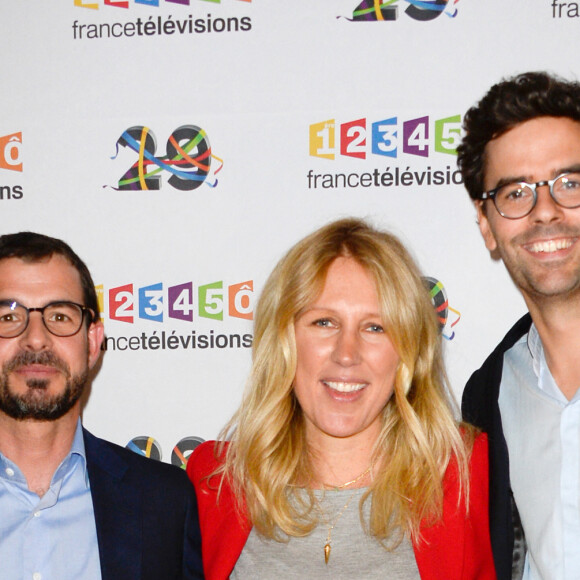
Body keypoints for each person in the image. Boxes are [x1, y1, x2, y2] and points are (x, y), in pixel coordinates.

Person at [187, 218, 495, 579]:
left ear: (407, 351)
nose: (346, 354)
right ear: (283, 339)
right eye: (324, 322)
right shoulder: (215, 482)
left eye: (375, 327)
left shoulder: (467, 475)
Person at [0, 232, 204, 580]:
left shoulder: (164, 501)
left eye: (60, 316)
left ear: (93, 343)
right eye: (8, 318)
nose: (35, 338)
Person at [457, 71, 580, 580]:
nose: (545, 211)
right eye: (515, 193)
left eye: (570, 183)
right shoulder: (488, 396)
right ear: (487, 226)